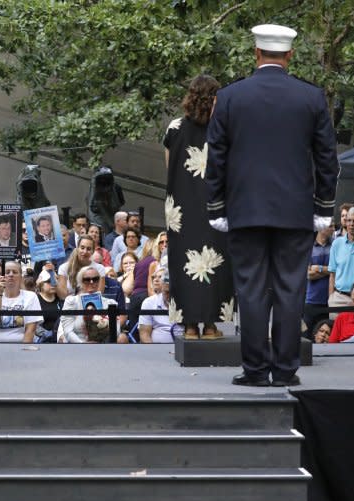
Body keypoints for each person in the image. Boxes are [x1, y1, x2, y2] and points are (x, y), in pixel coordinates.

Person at [206, 24, 339, 387]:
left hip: (245, 210)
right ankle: (284, 369)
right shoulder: (311, 98)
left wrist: (216, 206)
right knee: (290, 289)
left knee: (250, 289)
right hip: (295, 211)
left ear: (256, 53)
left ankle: (254, 368)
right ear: (289, 55)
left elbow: (216, 157)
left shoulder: (231, 97)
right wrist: (324, 205)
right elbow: (327, 157)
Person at [163, 75, 234, 341]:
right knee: (215, 262)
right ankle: (212, 326)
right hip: (216, 205)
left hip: (181, 207)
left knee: (184, 262)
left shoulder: (174, 128)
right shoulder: (226, 127)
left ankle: (189, 325)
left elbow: (169, 169)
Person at [0, 260, 41, 343]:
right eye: (7, 272)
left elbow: (30, 330)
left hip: (18, 346)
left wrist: (23, 352)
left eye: (14, 272)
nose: (11, 275)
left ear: (21, 277)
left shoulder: (31, 297)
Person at [60, 266, 119, 343]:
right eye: (87, 279)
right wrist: (83, 345)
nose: (91, 282)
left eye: (95, 279)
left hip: (103, 346)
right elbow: (67, 331)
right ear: (80, 281)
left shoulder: (110, 303)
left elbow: (116, 330)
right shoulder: (71, 302)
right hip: (77, 346)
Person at [304, 222, 335, 338]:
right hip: (310, 300)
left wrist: (319, 268)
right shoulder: (309, 246)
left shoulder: (335, 246)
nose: (333, 229)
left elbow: (338, 270)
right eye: (330, 226)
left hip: (329, 301)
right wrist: (329, 271)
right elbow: (308, 275)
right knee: (307, 336)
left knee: (326, 338)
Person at [56, 235, 106, 300]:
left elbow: (99, 294)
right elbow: (62, 296)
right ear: (77, 249)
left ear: (93, 251)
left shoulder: (99, 268)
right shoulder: (63, 268)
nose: (85, 252)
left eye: (88, 249)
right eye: (82, 248)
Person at [139, 270, 183, 343]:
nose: (170, 296)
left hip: (183, 349)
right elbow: (144, 334)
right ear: (161, 287)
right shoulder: (149, 302)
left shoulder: (188, 303)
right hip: (156, 350)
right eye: (167, 292)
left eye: (173, 292)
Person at [34, 269, 61, 343]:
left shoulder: (60, 298)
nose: (53, 283)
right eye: (49, 281)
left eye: (55, 280)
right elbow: (33, 324)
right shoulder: (35, 299)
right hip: (44, 341)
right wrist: (50, 335)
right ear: (41, 284)